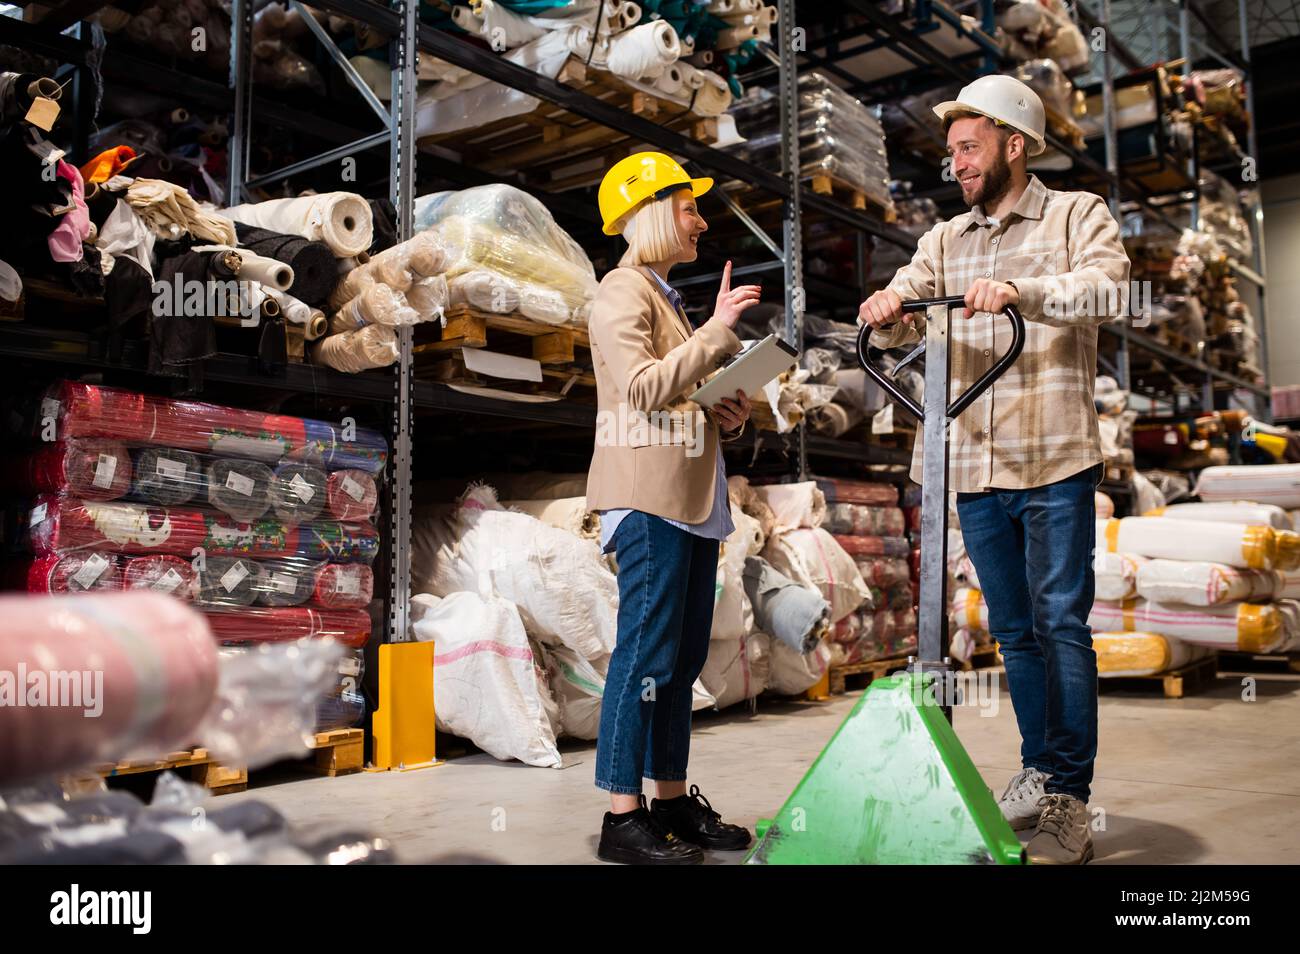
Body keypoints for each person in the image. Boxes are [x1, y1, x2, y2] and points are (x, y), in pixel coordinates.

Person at [858, 75, 1131, 865]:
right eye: (950, 154)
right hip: (969, 462)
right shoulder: (943, 242)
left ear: (1015, 143)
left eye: (968, 148)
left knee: (1060, 625)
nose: (957, 164)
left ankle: (1069, 798)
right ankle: (1039, 766)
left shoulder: (1078, 213)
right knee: (1013, 631)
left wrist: (1022, 291)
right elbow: (902, 305)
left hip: (1051, 457)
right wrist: (882, 313)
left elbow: (1109, 287)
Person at [584, 151, 760, 864]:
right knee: (646, 654)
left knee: (680, 661)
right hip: (648, 501)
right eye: (690, 207)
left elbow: (676, 396)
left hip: (689, 503)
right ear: (654, 210)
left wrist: (727, 409)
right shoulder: (621, 291)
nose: (702, 220)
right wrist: (718, 335)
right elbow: (641, 390)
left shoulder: (666, 299)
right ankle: (622, 817)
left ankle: (670, 800)